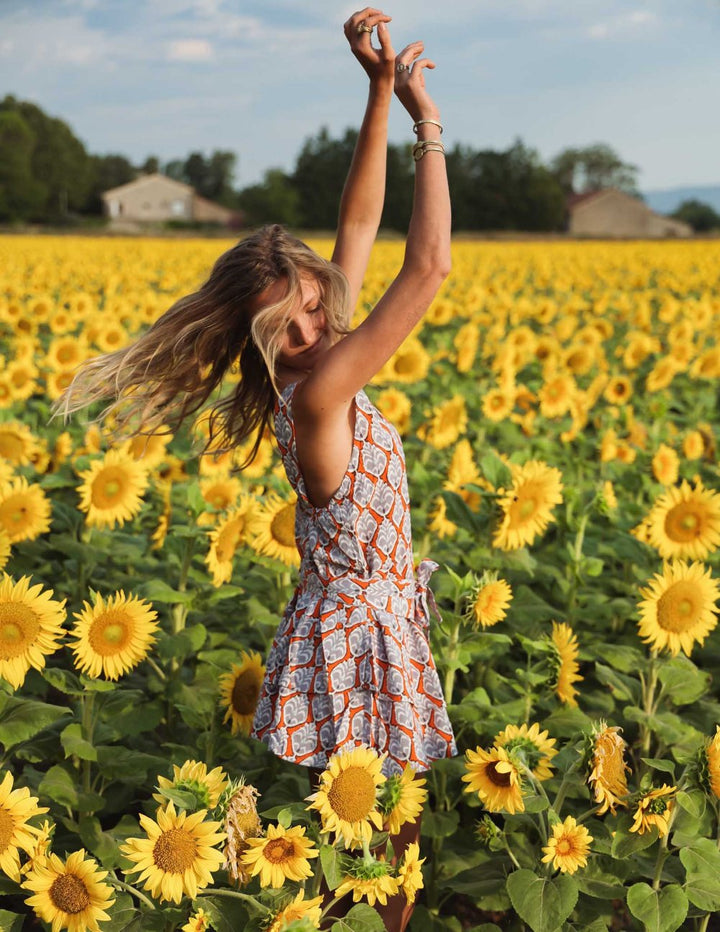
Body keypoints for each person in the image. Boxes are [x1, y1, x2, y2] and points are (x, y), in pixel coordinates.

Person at [51, 8, 457, 930]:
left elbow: (360, 219)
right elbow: (427, 266)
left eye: (315, 305)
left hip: (370, 619)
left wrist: (379, 92)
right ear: (259, 341)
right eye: (288, 328)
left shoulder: (321, 366)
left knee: (377, 843)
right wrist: (431, 125)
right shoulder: (315, 397)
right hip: (359, 640)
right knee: (365, 856)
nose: (314, 331)